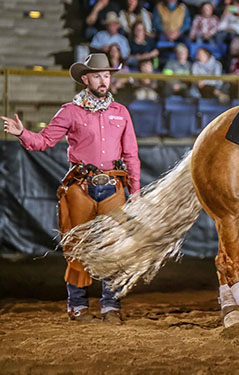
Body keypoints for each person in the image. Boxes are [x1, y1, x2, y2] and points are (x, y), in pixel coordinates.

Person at [2, 53, 140, 323]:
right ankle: (78, 306)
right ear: (86, 79)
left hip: (113, 185)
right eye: (98, 75)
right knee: (77, 247)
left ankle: (110, 306)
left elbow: (132, 154)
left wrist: (134, 192)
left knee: (115, 246)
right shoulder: (70, 111)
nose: (104, 80)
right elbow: (43, 141)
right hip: (80, 187)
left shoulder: (120, 112)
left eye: (107, 75)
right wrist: (22, 133)